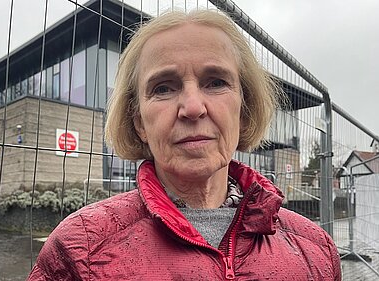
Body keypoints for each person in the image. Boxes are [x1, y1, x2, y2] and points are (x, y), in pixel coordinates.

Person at [27, 10, 341, 280]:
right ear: (139, 123)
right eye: (163, 88)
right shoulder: (79, 250)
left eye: (216, 82)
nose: (192, 107)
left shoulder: (317, 251)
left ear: (243, 112)